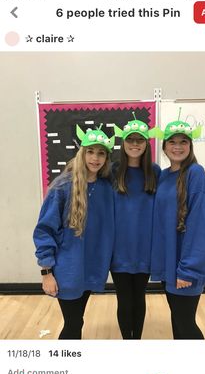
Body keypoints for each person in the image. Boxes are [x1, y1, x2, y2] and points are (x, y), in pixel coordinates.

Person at [33, 125, 115, 339]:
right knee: (73, 323)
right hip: (67, 271)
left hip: (91, 268)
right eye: (90, 151)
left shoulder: (107, 187)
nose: (95, 158)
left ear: (106, 158)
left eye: (101, 153)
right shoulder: (62, 187)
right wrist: (46, 273)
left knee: (77, 320)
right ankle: (66, 368)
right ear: (82, 153)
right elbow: (44, 231)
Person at [151, 113, 205, 339]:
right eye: (172, 141)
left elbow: (203, 225)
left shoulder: (195, 174)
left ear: (190, 145)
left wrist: (189, 269)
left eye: (183, 142)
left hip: (185, 266)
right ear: (164, 146)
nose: (177, 147)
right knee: (177, 322)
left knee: (185, 323)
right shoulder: (163, 176)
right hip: (170, 265)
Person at [111, 113, 161, 339]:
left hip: (145, 248)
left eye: (139, 140)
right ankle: (126, 342)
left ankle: (136, 341)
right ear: (123, 143)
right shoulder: (112, 172)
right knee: (123, 299)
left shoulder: (155, 172)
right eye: (130, 139)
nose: (134, 144)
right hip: (118, 250)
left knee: (139, 297)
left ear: (146, 143)